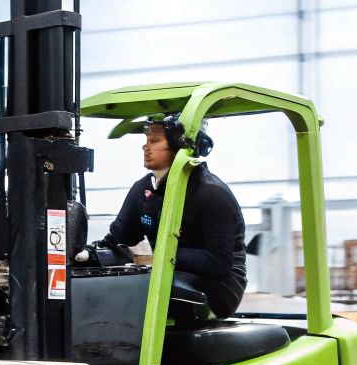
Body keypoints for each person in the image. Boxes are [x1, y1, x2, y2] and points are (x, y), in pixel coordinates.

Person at [92, 115, 248, 318]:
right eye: (146, 141)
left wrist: (161, 256)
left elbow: (218, 262)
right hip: (169, 272)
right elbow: (119, 238)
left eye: (154, 141)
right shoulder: (144, 190)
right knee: (102, 286)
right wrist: (92, 255)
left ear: (180, 144)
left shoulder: (211, 193)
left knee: (142, 289)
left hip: (219, 287)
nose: (145, 147)